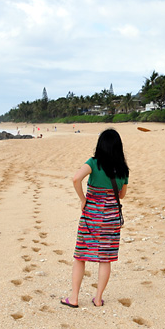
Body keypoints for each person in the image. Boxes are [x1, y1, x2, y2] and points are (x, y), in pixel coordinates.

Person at [61, 128, 129, 308]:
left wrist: (83, 199)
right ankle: (98, 299)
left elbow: (76, 178)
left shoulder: (93, 162)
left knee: (80, 256)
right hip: (111, 217)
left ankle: (74, 298)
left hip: (92, 215)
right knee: (105, 258)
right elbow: (122, 195)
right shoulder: (123, 169)